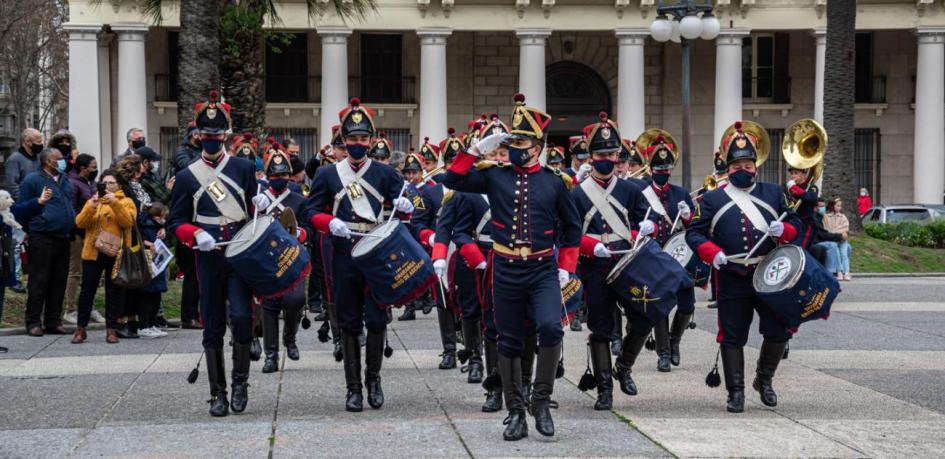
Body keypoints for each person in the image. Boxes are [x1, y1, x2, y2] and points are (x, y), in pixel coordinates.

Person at [443, 93, 581, 441]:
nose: (515, 147)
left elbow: (572, 228)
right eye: (512, 141)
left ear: (537, 147)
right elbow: (452, 180)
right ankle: (516, 411)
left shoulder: (554, 181)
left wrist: (566, 265)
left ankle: (542, 401)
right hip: (504, 267)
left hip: (542, 270)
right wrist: (476, 150)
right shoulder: (494, 176)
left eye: (521, 142)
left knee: (550, 328)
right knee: (508, 340)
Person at [303, 97, 414, 412]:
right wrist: (329, 221)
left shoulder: (385, 173)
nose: (357, 143)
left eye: (363, 138)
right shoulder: (327, 175)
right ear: (343, 141)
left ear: (372, 140)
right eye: (351, 139)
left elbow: (403, 206)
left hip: (376, 251)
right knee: (350, 320)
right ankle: (353, 389)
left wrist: (405, 208)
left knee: (377, 320)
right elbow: (311, 211)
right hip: (344, 251)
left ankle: (374, 380)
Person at [686, 120, 801, 413]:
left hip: (769, 274)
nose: (743, 170)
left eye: (747, 164)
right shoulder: (712, 199)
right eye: (736, 166)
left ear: (756, 165)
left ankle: (764, 381)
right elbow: (694, 233)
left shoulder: (775, 194)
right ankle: (735, 392)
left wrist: (783, 231)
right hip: (732, 274)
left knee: (778, 331)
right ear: (728, 169)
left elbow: (797, 224)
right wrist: (712, 254)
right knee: (732, 335)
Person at [168, 90, 261, 417]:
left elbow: (253, 209)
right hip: (207, 255)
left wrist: (259, 207)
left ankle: (239, 382)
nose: (211, 139)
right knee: (212, 325)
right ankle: (217, 392)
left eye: (216, 134)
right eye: (205, 135)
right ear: (198, 136)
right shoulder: (186, 176)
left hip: (238, 251)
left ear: (226, 135)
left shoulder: (243, 167)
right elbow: (175, 221)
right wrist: (195, 234)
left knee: (241, 315)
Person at [570, 113, 654, 411]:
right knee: (601, 327)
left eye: (612, 154)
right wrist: (592, 247)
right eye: (601, 154)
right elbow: (568, 234)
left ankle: (624, 366)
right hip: (595, 266)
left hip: (627, 263)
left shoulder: (631, 189)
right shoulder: (577, 194)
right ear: (590, 157)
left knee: (645, 316)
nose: (607, 159)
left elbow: (647, 218)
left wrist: (643, 229)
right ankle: (604, 389)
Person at [637, 135, 698, 372]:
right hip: (653, 256)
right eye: (659, 167)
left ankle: (675, 341)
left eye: (667, 167)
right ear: (650, 169)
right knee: (659, 305)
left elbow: (694, 223)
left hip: (679, 254)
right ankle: (663, 352)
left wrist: (686, 215)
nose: (663, 171)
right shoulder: (641, 193)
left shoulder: (680, 193)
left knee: (687, 304)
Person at [412, 131, 461, 369]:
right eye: (451, 162)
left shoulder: (474, 190)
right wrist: (431, 237)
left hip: (466, 249)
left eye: (458, 161)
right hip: (441, 249)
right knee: (443, 301)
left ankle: (473, 350)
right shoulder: (429, 192)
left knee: (472, 301)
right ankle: (449, 349)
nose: (454, 167)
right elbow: (418, 222)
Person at [257, 145, 309, 373]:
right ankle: (271, 355)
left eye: (284, 175)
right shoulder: (259, 200)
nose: (280, 179)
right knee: (269, 305)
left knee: (295, 300)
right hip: (267, 260)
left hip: (293, 258)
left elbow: (309, 229)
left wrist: (300, 233)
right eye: (276, 175)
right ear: (268, 177)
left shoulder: (299, 199)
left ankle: (290, 337)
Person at [72, 169, 137, 343]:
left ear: (119, 185)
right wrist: (90, 207)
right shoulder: (94, 200)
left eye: (111, 183)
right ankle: (81, 328)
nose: (107, 186)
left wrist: (115, 203)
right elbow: (79, 223)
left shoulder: (127, 201)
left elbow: (128, 222)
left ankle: (111, 329)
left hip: (116, 252)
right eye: (104, 182)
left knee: (113, 291)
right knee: (87, 290)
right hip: (93, 252)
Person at [19, 147, 76, 336]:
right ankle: (33, 321)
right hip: (42, 236)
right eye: (58, 159)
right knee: (39, 280)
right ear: (47, 161)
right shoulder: (33, 180)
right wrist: (31, 228)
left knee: (58, 280)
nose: (63, 161)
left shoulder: (65, 180)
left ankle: (53, 320)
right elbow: (21, 209)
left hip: (63, 236)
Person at [0, 189, 47, 352]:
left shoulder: (7, 213)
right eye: (6, 199)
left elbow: (22, 208)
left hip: (3, 263)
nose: (10, 201)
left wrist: (38, 201)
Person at [64, 154, 103, 325]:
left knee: (91, 273)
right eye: (93, 167)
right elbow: (71, 209)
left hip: (92, 232)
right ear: (83, 168)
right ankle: (70, 309)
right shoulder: (73, 183)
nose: (96, 170)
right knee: (75, 272)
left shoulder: (91, 183)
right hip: (78, 233)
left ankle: (89, 306)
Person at [6, 128, 43, 294]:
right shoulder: (15, 159)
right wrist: (25, 204)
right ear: (27, 141)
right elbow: (12, 185)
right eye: (38, 141)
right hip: (21, 208)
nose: (41, 144)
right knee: (16, 245)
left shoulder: (38, 158)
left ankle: (33, 278)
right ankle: (14, 279)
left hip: (38, 206)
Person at [137, 202, 170, 338]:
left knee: (156, 295)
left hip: (159, 263)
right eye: (162, 217)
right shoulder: (143, 224)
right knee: (147, 295)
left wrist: (164, 230)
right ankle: (143, 325)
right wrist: (148, 244)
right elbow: (139, 238)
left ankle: (152, 324)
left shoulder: (159, 226)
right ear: (156, 217)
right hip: (148, 261)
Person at [785, 166, 820, 248]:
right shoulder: (788, 188)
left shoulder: (812, 187)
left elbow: (810, 198)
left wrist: (794, 188)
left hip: (806, 223)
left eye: (796, 173)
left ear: (804, 175)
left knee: (801, 248)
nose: (793, 176)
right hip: (793, 222)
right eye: (792, 173)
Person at [822, 198, 853, 281]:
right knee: (837, 254)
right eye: (838, 205)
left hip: (842, 240)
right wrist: (838, 232)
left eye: (840, 206)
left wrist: (837, 231)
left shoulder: (843, 217)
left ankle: (846, 272)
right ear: (832, 206)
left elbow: (845, 228)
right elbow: (827, 229)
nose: (840, 207)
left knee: (844, 255)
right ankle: (839, 272)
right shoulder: (826, 217)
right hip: (833, 240)